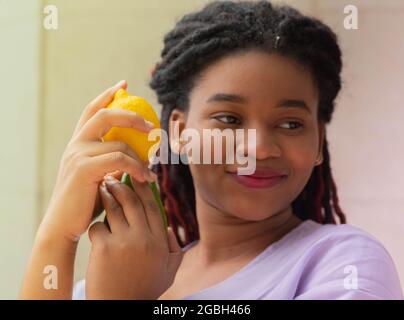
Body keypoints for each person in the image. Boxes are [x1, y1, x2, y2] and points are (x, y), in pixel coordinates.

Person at [21, 1, 403, 300]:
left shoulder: (345, 264)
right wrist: (58, 236)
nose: (259, 148)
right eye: (230, 119)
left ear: (318, 141)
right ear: (180, 133)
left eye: (291, 124)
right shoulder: (122, 274)